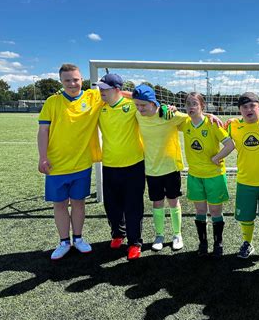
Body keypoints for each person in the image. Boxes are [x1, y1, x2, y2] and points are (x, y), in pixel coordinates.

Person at [38, 63, 103, 260]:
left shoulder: (94, 97)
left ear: (82, 79)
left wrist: (155, 102)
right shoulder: (52, 102)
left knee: (78, 203)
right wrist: (42, 157)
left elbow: (119, 93)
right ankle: (64, 242)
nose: (72, 83)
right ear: (61, 82)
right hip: (56, 165)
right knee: (59, 205)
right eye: (67, 80)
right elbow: (43, 131)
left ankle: (79, 239)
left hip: (82, 164)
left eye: (75, 79)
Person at [132, 84, 188, 252]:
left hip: (170, 167)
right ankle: (159, 235)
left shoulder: (168, 114)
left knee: (173, 200)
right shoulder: (137, 114)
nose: (140, 109)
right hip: (151, 168)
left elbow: (191, 116)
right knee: (157, 203)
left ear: (153, 102)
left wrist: (208, 115)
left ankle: (177, 234)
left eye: (143, 105)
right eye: (137, 105)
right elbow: (123, 95)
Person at [96, 73, 145, 260]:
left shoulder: (133, 106)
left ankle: (134, 243)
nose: (100, 92)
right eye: (99, 89)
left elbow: (152, 105)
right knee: (112, 206)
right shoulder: (99, 108)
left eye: (104, 89)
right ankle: (118, 234)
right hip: (109, 165)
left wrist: (204, 113)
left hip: (134, 165)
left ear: (117, 90)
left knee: (133, 206)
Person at [179, 92, 235, 257]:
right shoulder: (185, 123)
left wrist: (216, 158)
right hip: (195, 175)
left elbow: (230, 145)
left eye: (194, 103)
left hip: (214, 175)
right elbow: (169, 116)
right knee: (200, 210)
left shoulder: (212, 124)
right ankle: (203, 243)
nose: (191, 107)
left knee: (216, 211)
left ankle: (218, 243)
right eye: (188, 104)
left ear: (202, 106)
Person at [227, 92, 259, 261]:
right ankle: (247, 243)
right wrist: (210, 115)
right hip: (245, 181)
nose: (248, 109)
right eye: (244, 107)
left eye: (252, 106)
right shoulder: (233, 126)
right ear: (240, 110)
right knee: (246, 217)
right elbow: (211, 125)